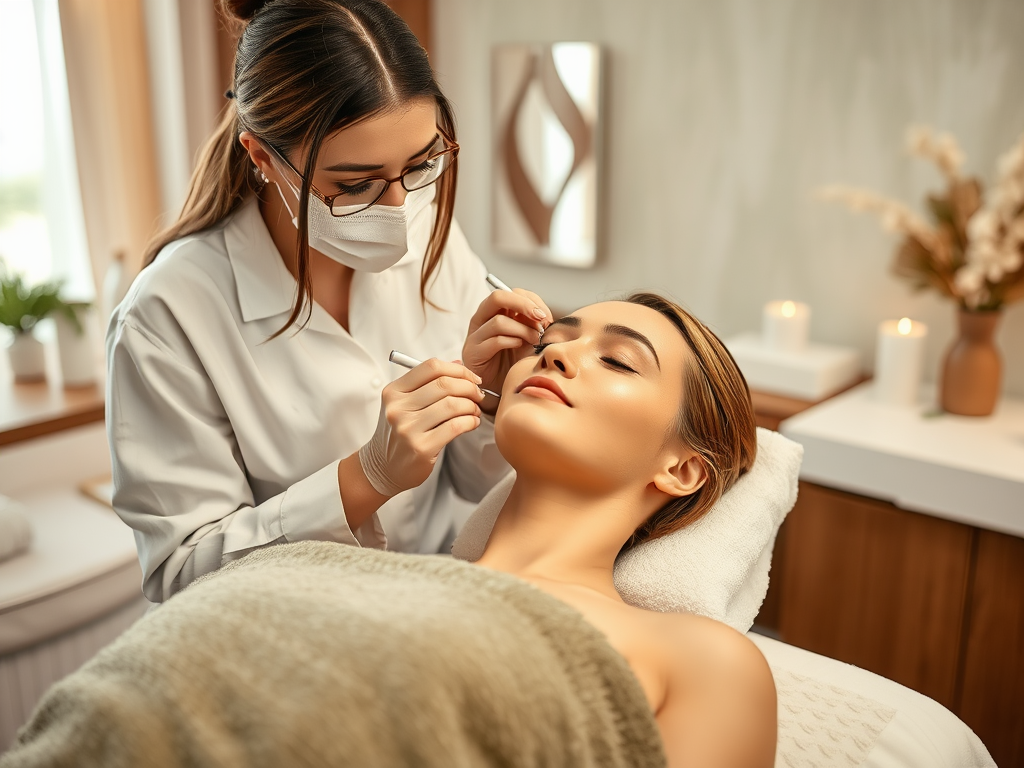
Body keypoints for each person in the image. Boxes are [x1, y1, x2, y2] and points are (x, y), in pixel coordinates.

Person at [105, 0, 552, 603]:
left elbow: (477, 483)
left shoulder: (431, 240)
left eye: (419, 167)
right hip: (293, 641)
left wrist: (485, 393)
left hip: (437, 601)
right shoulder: (168, 313)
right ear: (262, 157)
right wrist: (364, 478)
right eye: (354, 185)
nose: (398, 209)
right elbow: (182, 576)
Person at [473, 292, 776, 766]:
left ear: (682, 470)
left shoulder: (701, 660)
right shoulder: (391, 578)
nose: (555, 354)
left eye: (617, 361)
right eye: (544, 345)